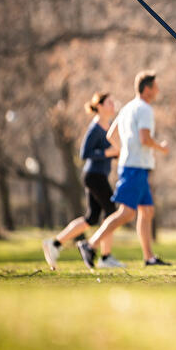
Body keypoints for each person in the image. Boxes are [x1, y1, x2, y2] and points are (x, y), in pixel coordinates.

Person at [78, 71, 170, 268]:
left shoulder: (128, 107)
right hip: (135, 167)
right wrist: (161, 147)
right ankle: (90, 244)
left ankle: (149, 258)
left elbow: (111, 135)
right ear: (147, 89)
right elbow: (145, 139)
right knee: (127, 213)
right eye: (156, 87)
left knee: (147, 211)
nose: (158, 90)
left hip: (135, 166)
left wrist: (124, 150)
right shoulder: (144, 109)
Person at [42, 92, 124, 270]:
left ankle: (55, 243)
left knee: (92, 218)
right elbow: (84, 154)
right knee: (111, 213)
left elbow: (110, 153)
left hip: (98, 176)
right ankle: (105, 257)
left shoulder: (108, 126)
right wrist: (107, 153)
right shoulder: (95, 128)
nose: (113, 105)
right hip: (93, 176)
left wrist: (116, 154)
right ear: (99, 106)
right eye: (109, 102)